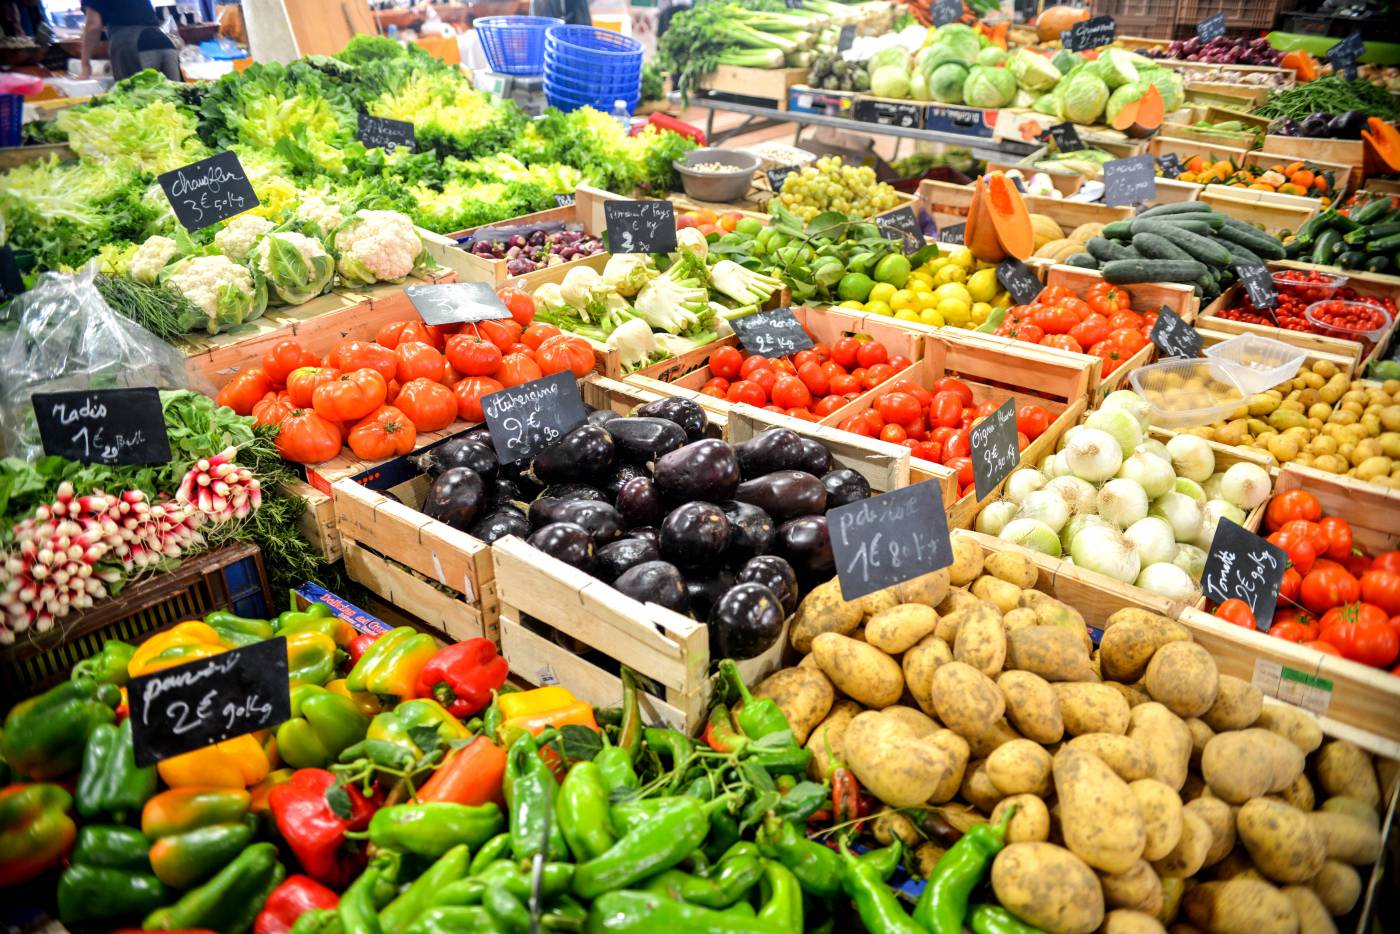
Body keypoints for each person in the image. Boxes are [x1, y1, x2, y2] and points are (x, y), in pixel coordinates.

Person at [78, 0, 181, 81]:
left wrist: (85, 65)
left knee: (136, 104)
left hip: (133, 46)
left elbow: (93, 25)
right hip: (165, 43)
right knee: (177, 102)